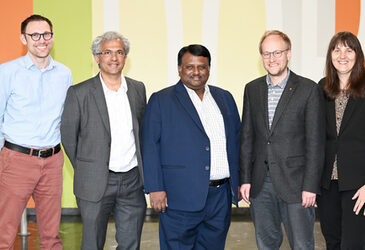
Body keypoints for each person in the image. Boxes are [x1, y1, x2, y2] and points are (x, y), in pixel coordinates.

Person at [142, 44, 241, 250]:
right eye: (190, 67)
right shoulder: (161, 100)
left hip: (220, 197)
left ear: (209, 69)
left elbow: (236, 141)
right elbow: (150, 146)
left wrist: (238, 183)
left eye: (202, 67)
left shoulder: (225, 98)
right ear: (179, 69)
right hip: (179, 197)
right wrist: (155, 188)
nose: (196, 72)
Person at [239, 30, 325, 250]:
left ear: (289, 54)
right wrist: (245, 179)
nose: (272, 58)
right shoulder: (252, 89)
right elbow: (247, 137)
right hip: (260, 184)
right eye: (266, 53)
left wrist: (310, 186)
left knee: (302, 244)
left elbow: (315, 143)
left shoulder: (308, 89)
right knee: (266, 244)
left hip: (297, 185)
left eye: (277, 52)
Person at [60, 31, 146, 250]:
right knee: (92, 243)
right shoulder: (79, 93)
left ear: (126, 57)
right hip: (95, 182)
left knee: (130, 243)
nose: (114, 57)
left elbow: (141, 132)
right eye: (107, 52)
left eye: (119, 52)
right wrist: (88, 168)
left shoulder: (137, 89)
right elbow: (69, 138)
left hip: (132, 181)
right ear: (97, 57)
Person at [0, 14, 72, 249]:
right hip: (16, 160)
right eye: (35, 35)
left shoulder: (64, 74)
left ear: (52, 36)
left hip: (53, 161)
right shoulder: (7, 72)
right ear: (23, 38)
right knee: (4, 233)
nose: (42, 40)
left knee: (51, 237)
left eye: (47, 34)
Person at [316, 31, 365, 250]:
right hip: (327, 184)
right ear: (330, 55)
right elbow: (316, 137)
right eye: (337, 49)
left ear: (357, 55)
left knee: (353, 244)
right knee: (333, 242)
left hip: (360, 185)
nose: (343, 55)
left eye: (349, 50)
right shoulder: (322, 87)